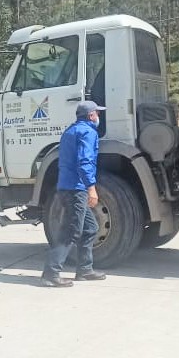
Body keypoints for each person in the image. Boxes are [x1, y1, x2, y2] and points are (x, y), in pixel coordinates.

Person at [41, 101, 108, 287]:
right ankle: (51, 273)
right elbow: (84, 162)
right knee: (71, 231)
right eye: (97, 114)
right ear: (90, 116)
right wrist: (91, 187)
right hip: (75, 189)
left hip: (65, 187)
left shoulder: (70, 131)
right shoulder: (88, 132)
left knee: (90, 228)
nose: (99, 117)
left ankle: (85, 270)